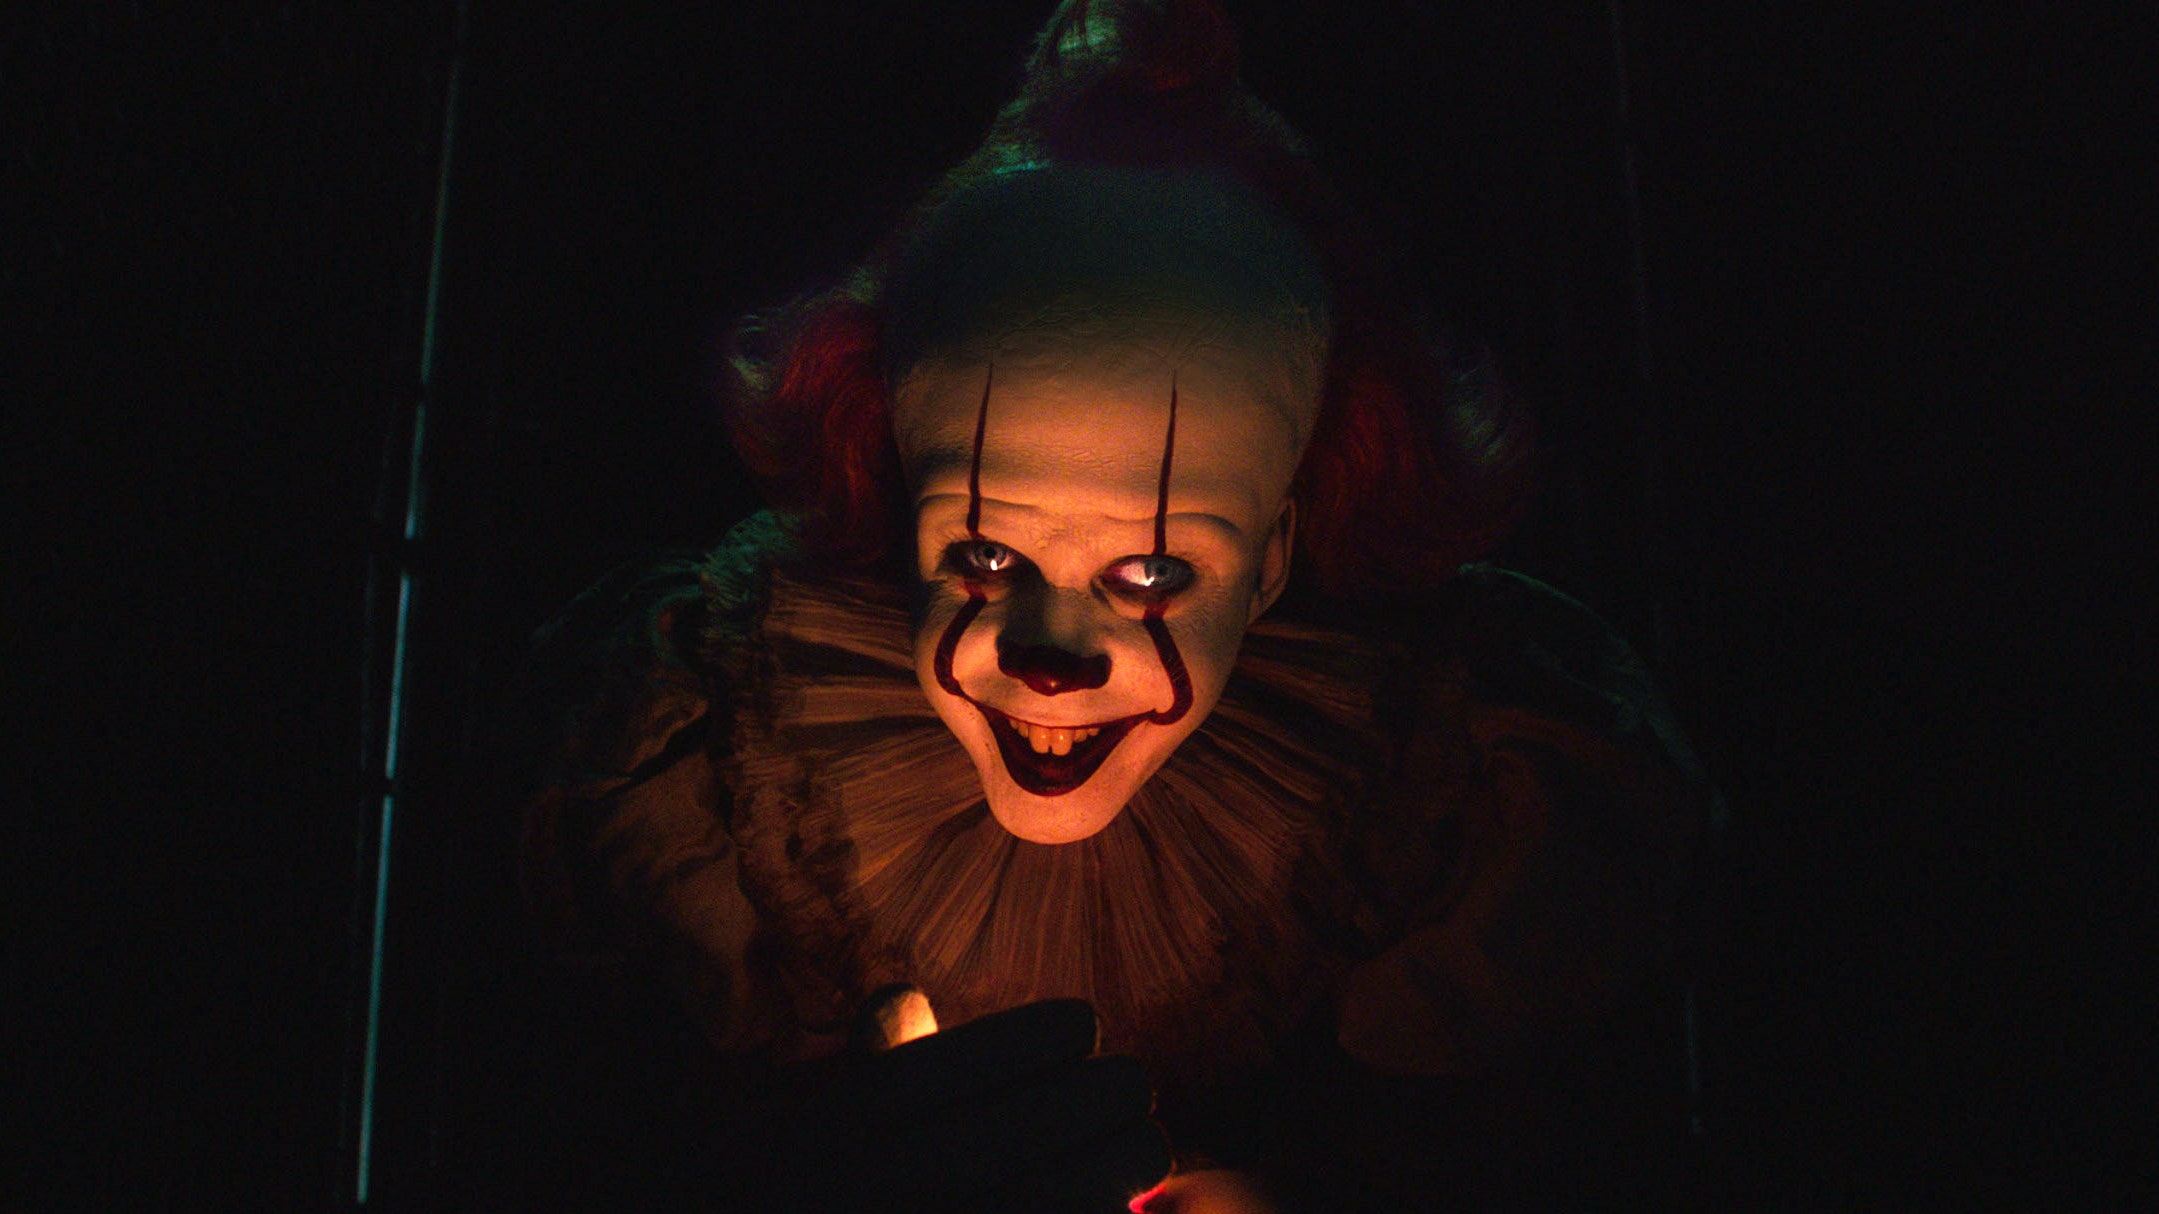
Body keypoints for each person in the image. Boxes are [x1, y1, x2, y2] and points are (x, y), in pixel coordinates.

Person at [519, 2, 1713, 1208]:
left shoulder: (1440, 797)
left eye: (1148, 574)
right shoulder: (725, 763)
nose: (1048, 658)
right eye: (983, 555)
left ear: (1273, 556)